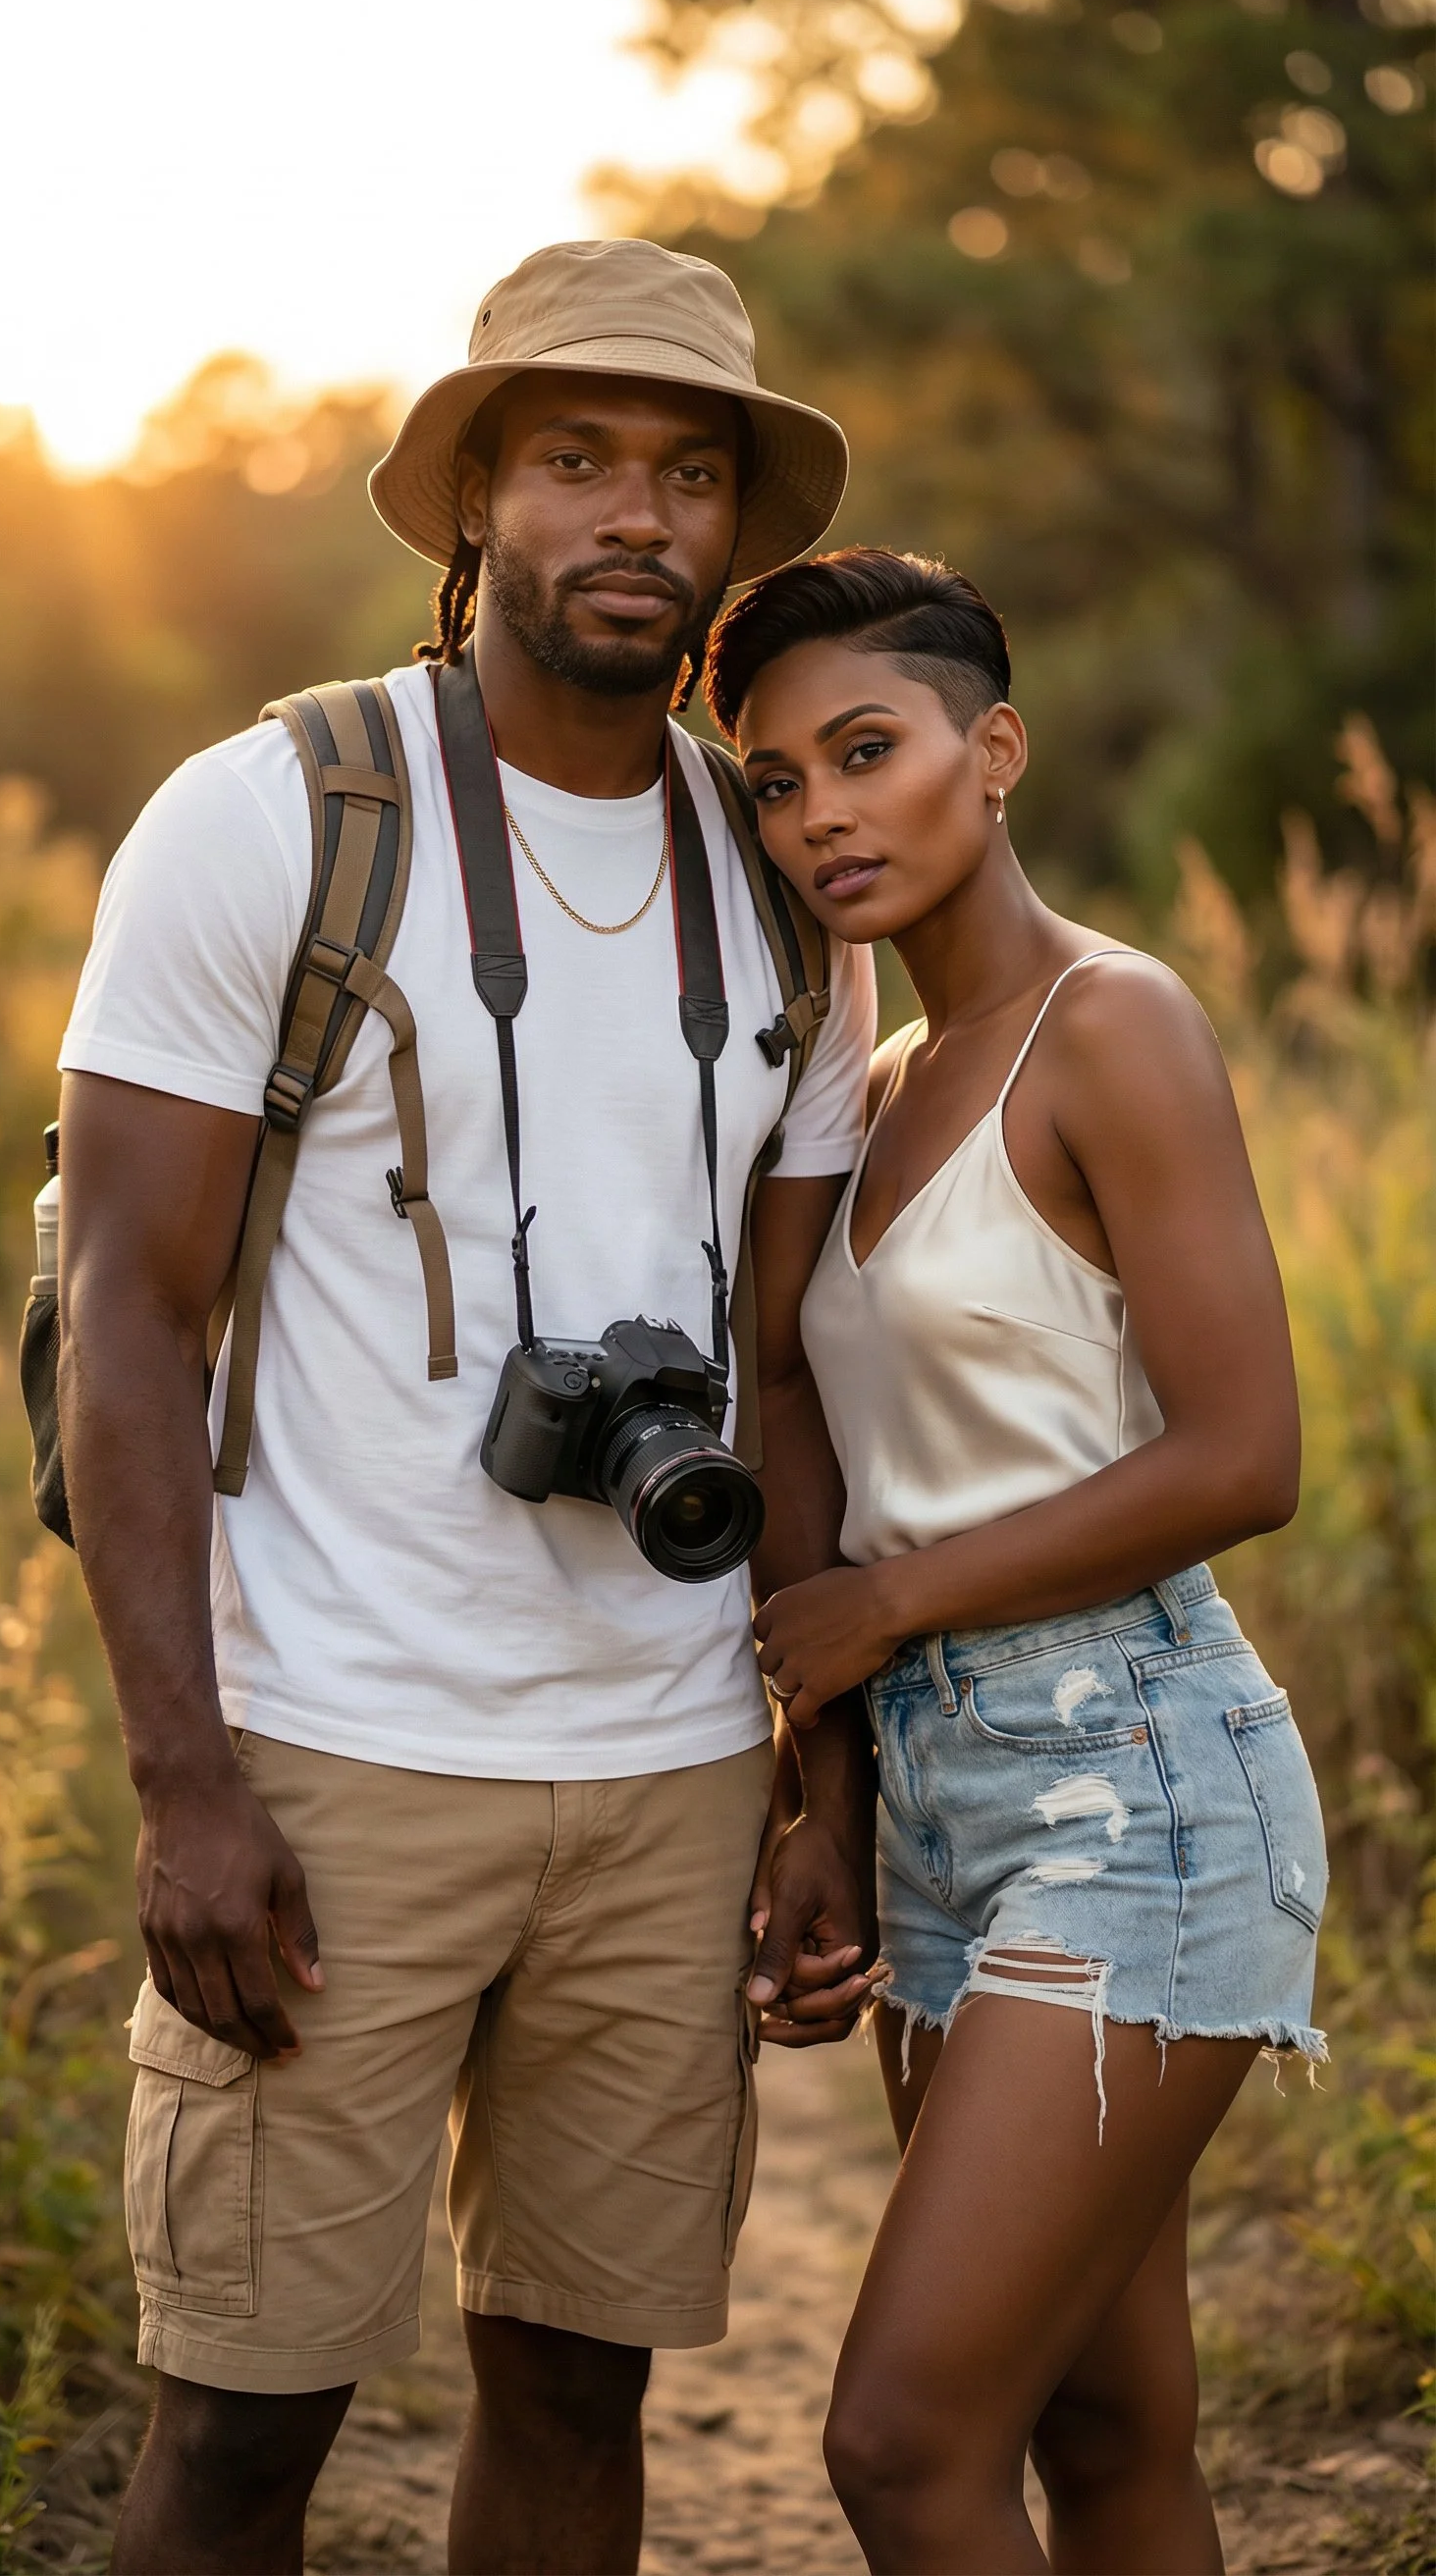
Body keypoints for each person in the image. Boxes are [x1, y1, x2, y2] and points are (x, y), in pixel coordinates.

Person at [55, 238, 879, 2576]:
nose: (636, 515)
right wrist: (182, 1774)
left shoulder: (790, 872)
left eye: (690, 472)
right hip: (330, 1749)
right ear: (475, 505)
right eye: (578, 458)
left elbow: (793, 1362)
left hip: (673, 1757)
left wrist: (827, 1783)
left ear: (735, 531)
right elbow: (129, 1304)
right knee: (234, 2433)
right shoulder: (275, 815)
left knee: (580, 2395)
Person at [707, 548, 1328, 2576]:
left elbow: (1249, 1453)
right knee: (1106, 2418)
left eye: (866, 751)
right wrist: (831, 1797)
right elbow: (824, 1459)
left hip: (1140, 1777)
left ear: (996, 752)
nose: (822, 816)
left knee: (902, 2438)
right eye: (778, 780)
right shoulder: (862, 1096)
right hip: (945, 1809)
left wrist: (884, 1608)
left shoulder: (1114, 1022)